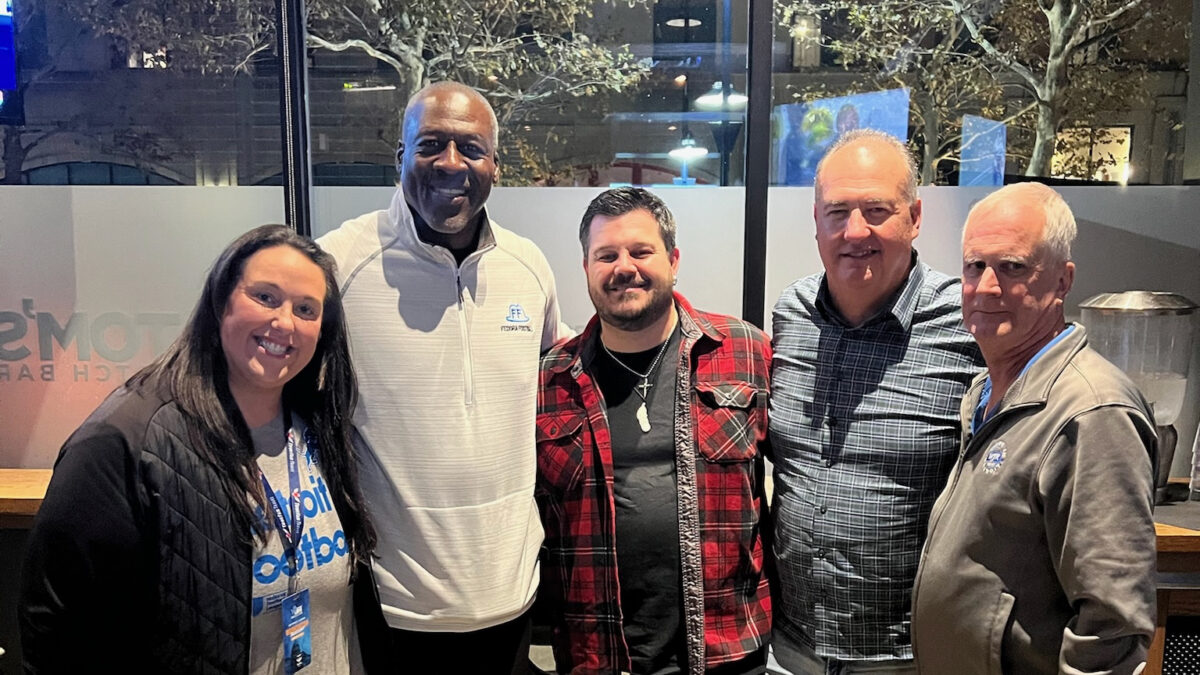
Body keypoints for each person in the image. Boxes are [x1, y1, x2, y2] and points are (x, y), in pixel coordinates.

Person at [20, 225, 379, 674]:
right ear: (221, 299)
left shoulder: (320, 425)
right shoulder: (126, 441)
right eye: (265, 297)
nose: (285, 322)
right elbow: (59, 634)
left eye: (305, 309)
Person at [317, 81, 567, 673]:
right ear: (400, 157)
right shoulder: (338, 263)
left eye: (471, 148)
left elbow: (557, 382)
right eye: (431, 144)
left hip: (512, 595)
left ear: (495, 166)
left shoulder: (528, 266)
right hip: (391, 606)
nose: (451, 163)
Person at [910, 182, 1157, 675]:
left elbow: (1112, 627)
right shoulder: (986, 391)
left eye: (1013, 267)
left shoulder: (1091, 412)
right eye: (975, 266)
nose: (987, 287)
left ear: (1063, 281)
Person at [768, 129, 982, 674]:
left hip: (910, 657)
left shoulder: (968, 324)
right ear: (816, 221)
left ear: (915, 216)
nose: (855, 231)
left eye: (877, 210)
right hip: (791, 647)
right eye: (838, 212)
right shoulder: (791, 314)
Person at [535, 187, 772, 675]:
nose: (624, 267)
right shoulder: (550, 379)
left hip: (727, 652)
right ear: (586, 268)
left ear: (673, 260)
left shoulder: (744, 351)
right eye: (606, 255)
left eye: (641, 251)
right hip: (597, 656)